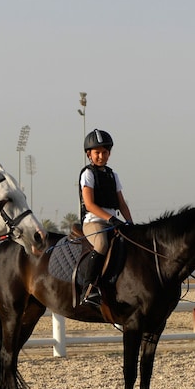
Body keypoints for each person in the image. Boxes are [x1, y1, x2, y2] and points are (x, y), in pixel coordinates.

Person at [78, 129, 133, 305]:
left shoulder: (112, 175)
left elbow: (122, 204)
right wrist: (110, 219)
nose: (101, 156)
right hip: (94, 222)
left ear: (109, 153)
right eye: (97, 153)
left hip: (112, 222)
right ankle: (88, 289)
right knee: (102, 244)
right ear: (89, 154)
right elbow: (89, 205)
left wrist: (130, 223)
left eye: (104, 152)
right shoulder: (88, 174)